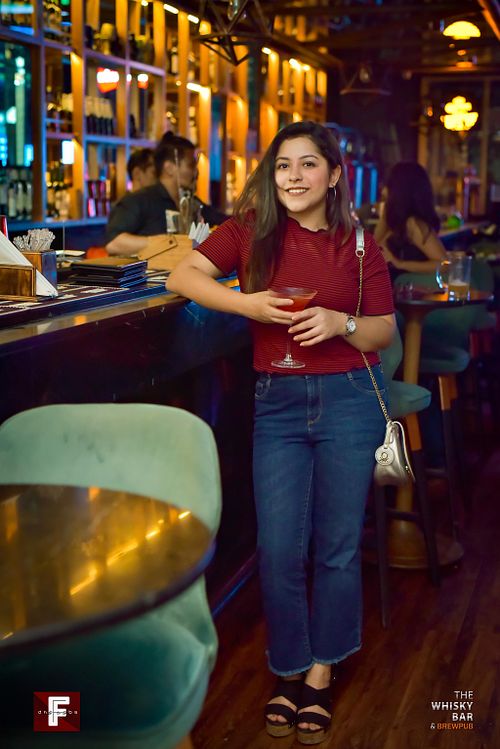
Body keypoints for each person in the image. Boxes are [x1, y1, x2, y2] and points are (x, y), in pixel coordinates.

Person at [167, 121, 395, 745]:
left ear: (334, 175)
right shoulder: (248, 231)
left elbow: (383, 329)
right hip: (278, 403)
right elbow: (181, 277)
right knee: (278, 547)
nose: (294, 176)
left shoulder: (359, 245)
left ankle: (321, 670)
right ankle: (290, 664)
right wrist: (249, 303)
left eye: (308, 164)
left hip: (349, 399)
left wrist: (341, 322)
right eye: (283, 165)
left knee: (337, 545)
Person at [106, 132, 227, 256]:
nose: (196, 172)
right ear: (169, 168)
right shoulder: (139, 200)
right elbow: (114, 243)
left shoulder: (191, 203)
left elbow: (227, 222)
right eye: (191, 165)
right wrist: (169, 244)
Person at [374, 161, 446, 278]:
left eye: (389, 186)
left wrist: (400, 264)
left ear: (400, 191)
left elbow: (443, 264)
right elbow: (373, 248)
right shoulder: (395, 221)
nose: (383, 191)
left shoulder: (412, 224)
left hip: (401, 287)